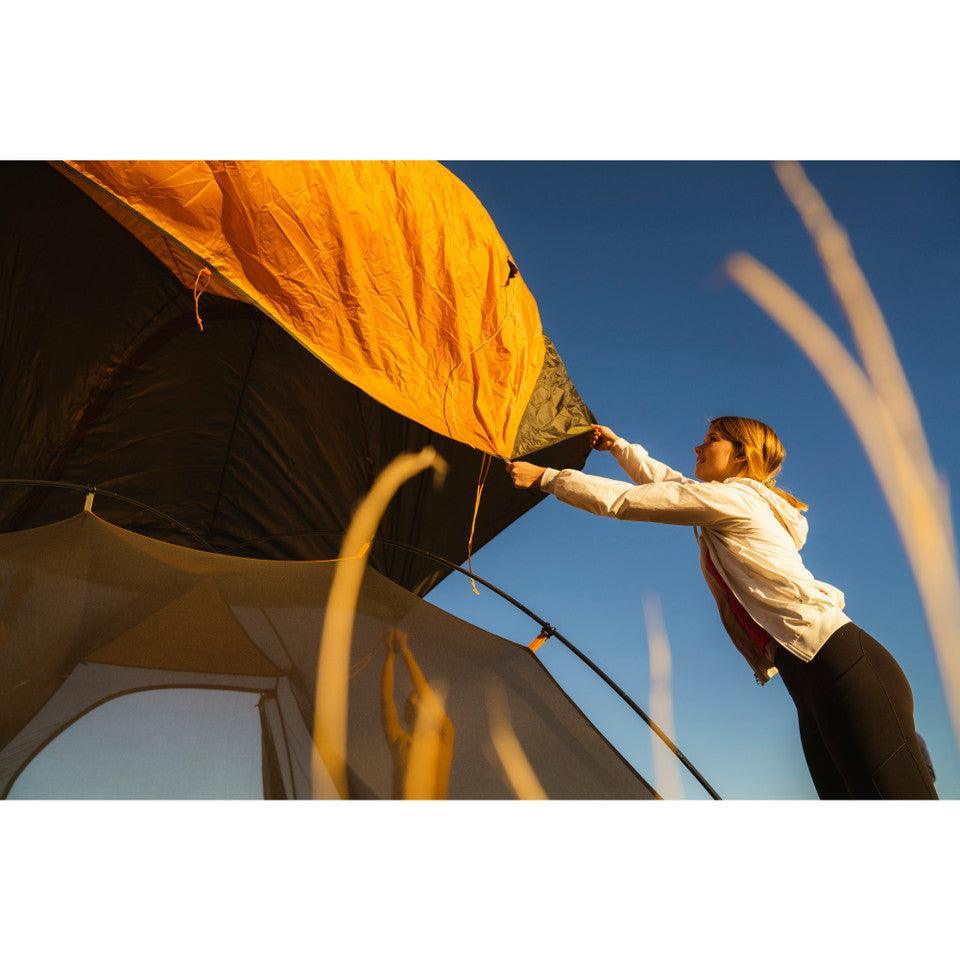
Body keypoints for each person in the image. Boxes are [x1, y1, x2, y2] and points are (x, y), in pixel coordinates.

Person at [506, 417, 938, 800]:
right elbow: (671, 485)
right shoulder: (725, 500)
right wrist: (620, 447)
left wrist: (548, 477)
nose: (698, 447)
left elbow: (630, 501)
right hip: (807, 676)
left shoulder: (737, 501)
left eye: (711, 439)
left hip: (843, 662)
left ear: (740, 456)